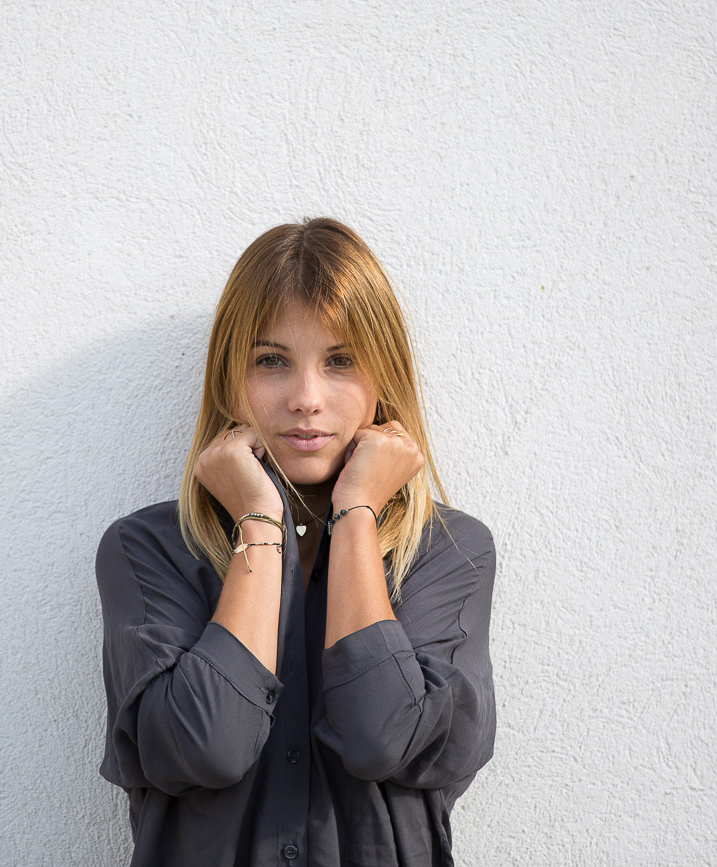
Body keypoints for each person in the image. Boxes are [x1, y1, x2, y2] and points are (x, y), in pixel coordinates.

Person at [95, 218, 496, 866]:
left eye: (340, 360)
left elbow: (379, 734)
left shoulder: (449, 553)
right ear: (230, 381)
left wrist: (358, 514)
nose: (306, 398)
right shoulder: (147, 552)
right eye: (271, 360)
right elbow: (209, 743)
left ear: (383, 379)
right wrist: (258, 518)